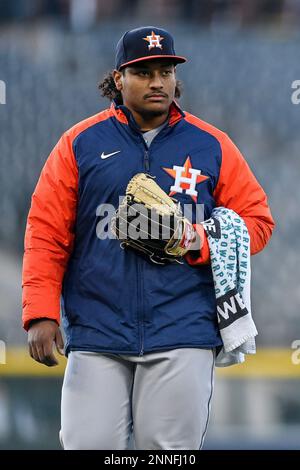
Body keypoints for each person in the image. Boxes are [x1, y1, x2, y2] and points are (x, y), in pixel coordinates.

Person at [22, 26, 275, 450]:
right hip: (98, 330)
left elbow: (259, 222)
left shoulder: (213, 145)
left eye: (166, 71)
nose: (157, 82)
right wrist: (40, 313)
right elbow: (47, 233)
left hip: (182, 329)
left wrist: (195, 238)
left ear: (176, 78)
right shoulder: (79, 143)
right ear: (118, 79)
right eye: (143, 73)